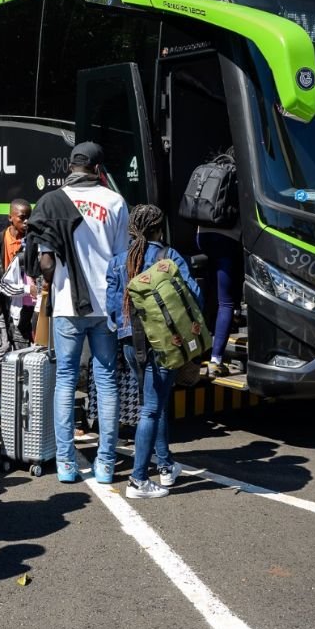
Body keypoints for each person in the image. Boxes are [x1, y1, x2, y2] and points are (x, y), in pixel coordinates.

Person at [26, 142, 129, 484]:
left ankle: (67, 464)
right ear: (99, 169)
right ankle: (105, 463)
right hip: (106, 306)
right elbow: (121, 261)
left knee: (66, 381)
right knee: (106, 382)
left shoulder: (50, 202)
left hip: (67, 306)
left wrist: (56, 283)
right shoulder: (115, 202)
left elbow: (45, 261)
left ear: (71, 167)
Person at [105, 204, 202, 499]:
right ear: (159, 229)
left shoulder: (119, 261)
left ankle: (165, 465)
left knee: (153, 402)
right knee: (151, 407)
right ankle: (138, 480)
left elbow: (111, 309)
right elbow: (194, 294)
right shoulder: (168, 257)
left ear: (132, 230)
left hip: (129, 342)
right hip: (163, 342)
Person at [196, 150, 242, 378]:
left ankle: (201, 351)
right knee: (226, 302)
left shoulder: (213, 170)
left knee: (211, 296)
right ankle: (216, 360)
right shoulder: (238, 176)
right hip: (227, 240)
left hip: (202, 236)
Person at [0, 198, 36, 361]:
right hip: (0, 304)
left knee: (23, 349)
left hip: (24, 307)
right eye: (22, 217)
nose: (26, 222)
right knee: (2, 347)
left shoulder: (32, 242)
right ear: (10, 217)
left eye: (29, 217)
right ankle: (0, 383)